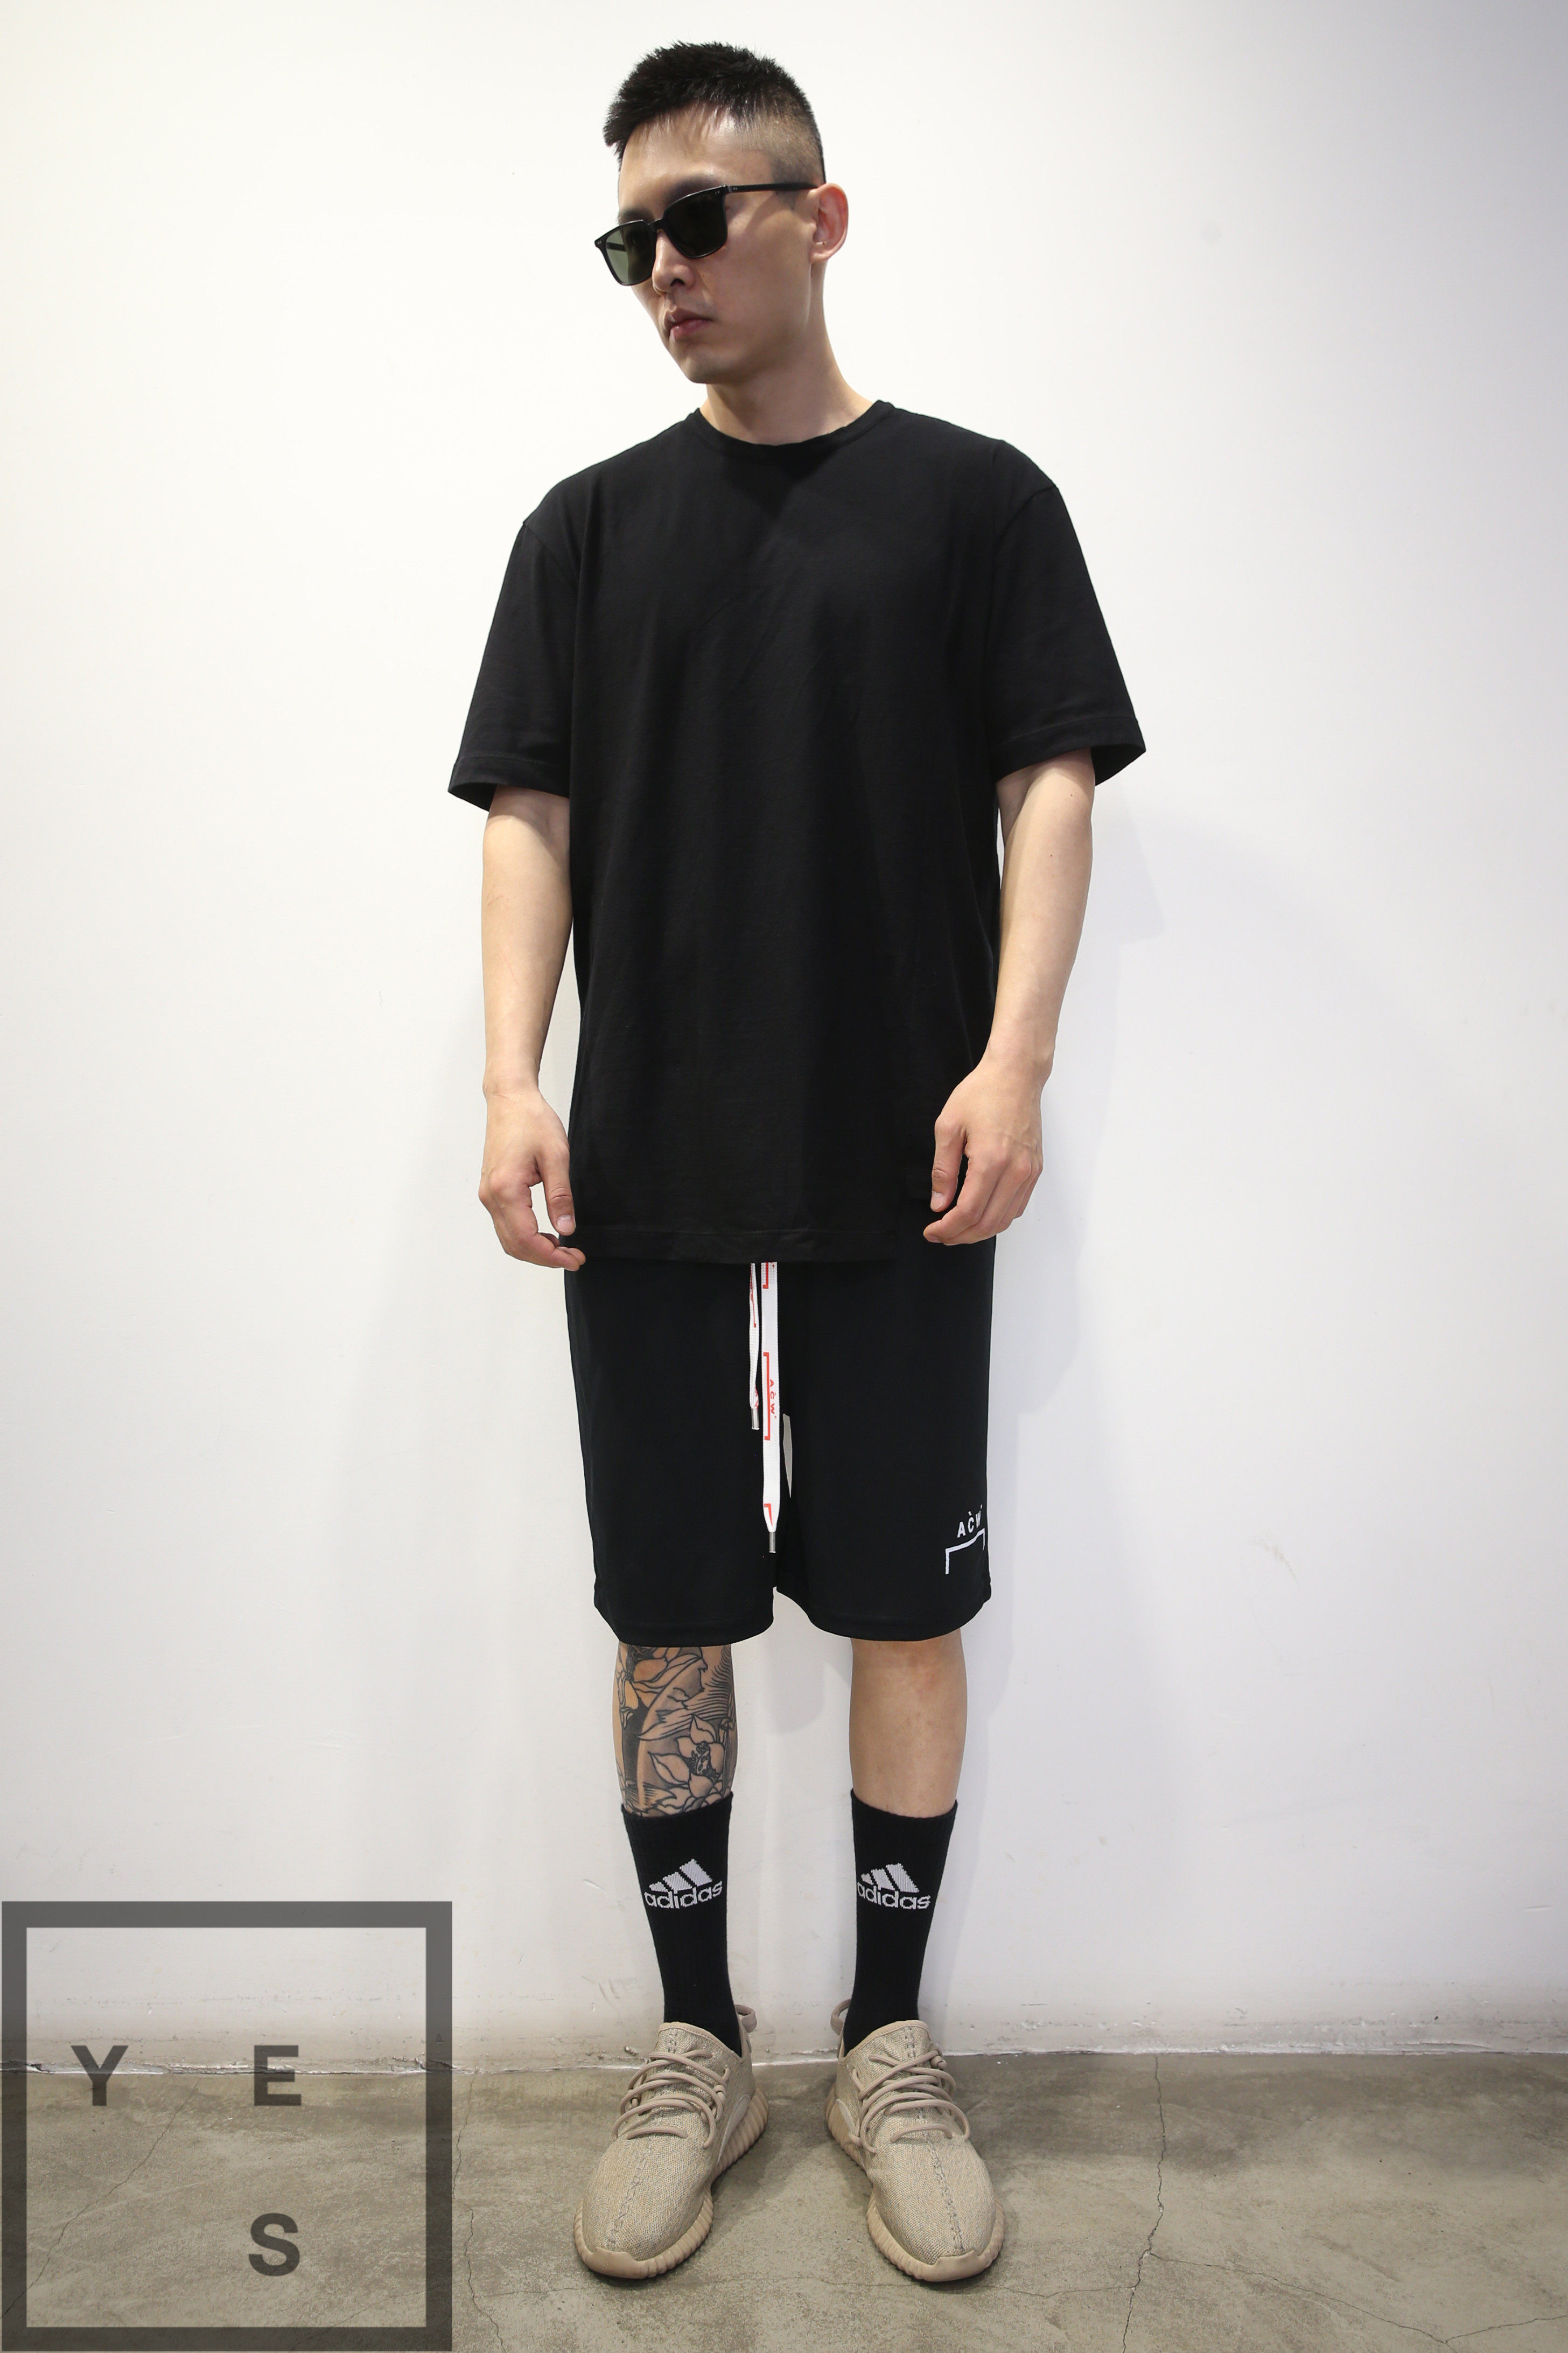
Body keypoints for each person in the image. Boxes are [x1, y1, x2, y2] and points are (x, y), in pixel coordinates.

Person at [449, 39, 1144, 2287]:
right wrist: (509, 1079)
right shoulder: (582, 531)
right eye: (624, 239)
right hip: (647, 1158)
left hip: (902, 1152)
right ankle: (696, 2046)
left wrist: (1014, 1056)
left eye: (695, 220)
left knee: (903, 1600)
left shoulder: (976, 504)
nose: (659, 267)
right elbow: (530, 810)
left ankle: (885, 2041)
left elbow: (1051, 782)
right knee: (667, 1604)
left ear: (817, 218)